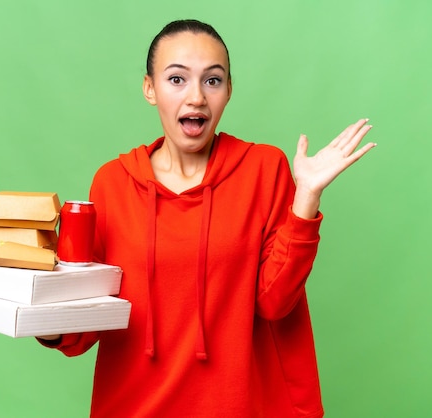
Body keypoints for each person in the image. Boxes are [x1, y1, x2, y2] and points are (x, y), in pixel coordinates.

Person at [37, 19, 375, 417]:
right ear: (150, 89)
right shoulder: (112, 183)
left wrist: (307, 196)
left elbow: (275, 302)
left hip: (240, 405)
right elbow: (87, 318)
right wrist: (34, 313)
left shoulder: (263, 169)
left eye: (212, 81)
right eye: (177, 79)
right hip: (133, 406)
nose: (196, 97)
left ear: (229, 90)